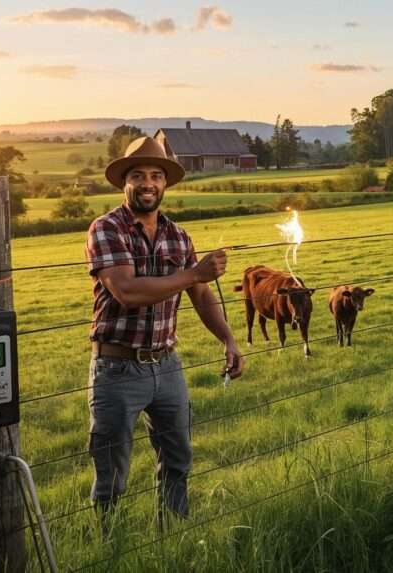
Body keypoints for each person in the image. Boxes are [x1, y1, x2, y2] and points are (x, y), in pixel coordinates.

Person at [85, 136, 245, 529]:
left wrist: (228, 339)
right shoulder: (107, 229)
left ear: (165, 184)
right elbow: (126, 290)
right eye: (138, 175)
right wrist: (194, 272)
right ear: (124, 182)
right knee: (112, 471)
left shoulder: (178, 236)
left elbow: (201, 295)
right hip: (118, 368)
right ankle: (110, 545)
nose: (148, 183)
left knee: (177, 459)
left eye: (156, 175)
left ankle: (171, 535)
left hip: (167, 365)